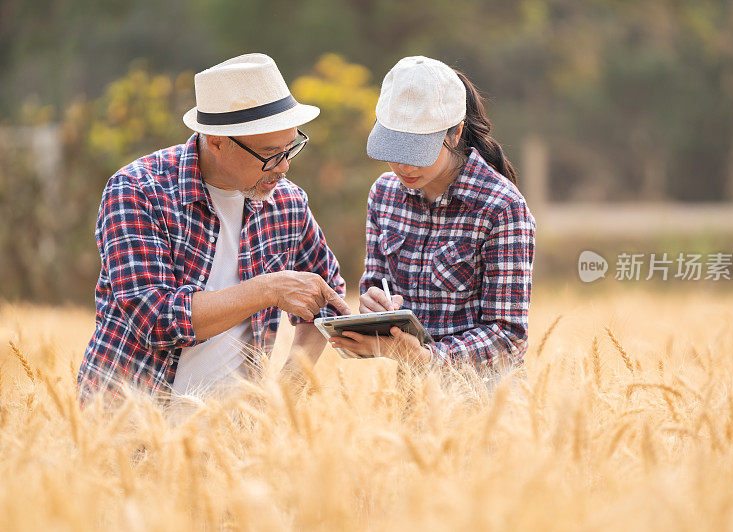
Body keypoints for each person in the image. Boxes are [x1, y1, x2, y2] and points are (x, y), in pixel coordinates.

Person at [77, 53, 350, 408]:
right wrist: (268, 289)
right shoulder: (138, 190)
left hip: (231, 440)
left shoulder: (288, 202)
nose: (283, 167)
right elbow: (157, 321)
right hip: (125, 425)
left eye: (291, 148)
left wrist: (283, 397)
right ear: (218, 141)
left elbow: (326, 301)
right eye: (270, 153)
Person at [328, 56, 535, 384]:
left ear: (455, 133)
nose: (403, 165)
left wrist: (426, 357)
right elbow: (376, 282)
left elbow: (508, 339)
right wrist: (373, 304)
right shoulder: (384, 194)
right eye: (394, 147)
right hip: (413, 397)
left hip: (488, 404)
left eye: (417, 149)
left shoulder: (501, 206)